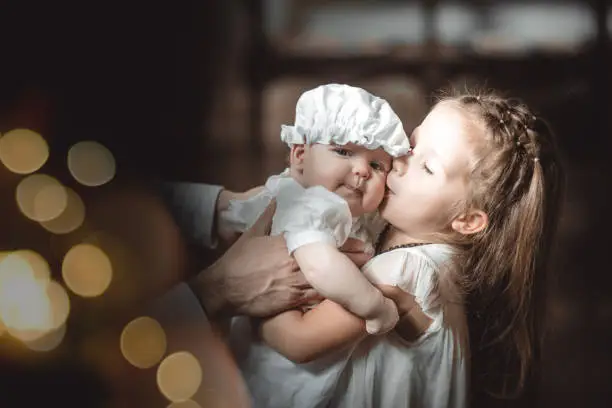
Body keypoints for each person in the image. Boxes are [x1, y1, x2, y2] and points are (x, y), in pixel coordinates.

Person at [227, 89, 563, 408]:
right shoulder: (415, 243)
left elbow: (295, 341)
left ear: (467, 220)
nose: (399, 161)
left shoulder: (405, 273)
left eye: (427, 167)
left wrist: (241, 281)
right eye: (412, 144)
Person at [220, 83, 411, 335]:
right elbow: (318, 263)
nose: (363, 171)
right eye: (343, 151)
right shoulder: (311, 203)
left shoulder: (337, 205)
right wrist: (375, 307)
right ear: (300, 156)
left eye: (377, 166)